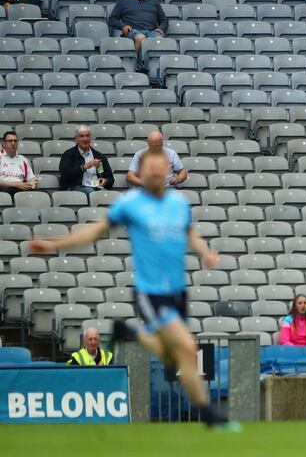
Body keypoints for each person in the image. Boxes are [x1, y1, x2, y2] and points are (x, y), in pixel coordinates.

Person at [29, 149, 236, 429]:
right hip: (151, 293)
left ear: (166, 169)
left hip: (178, 292)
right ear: (141, 169)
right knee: (187, 348)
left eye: (158, 164)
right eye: (148, 165)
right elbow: (96, 231)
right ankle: (209, 415)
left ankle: (130, 333)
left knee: (173, 354)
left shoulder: (178, 203)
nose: (153, 169)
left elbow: (190, 233)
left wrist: (205, 253)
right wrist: (55, 244)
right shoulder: (132, 203)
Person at [107, 0, 168, 72]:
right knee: (140, 37)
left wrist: (161, 28)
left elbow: (164, 19)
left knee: (160, 40)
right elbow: (112, 19)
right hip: (133, 31)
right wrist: (123, 26)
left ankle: (156, 70)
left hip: (151, 31)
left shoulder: (153, 1)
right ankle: (135, 65)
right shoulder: (123, 1)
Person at [58, 126, 114, 194]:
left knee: (111, 195)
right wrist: (84, 167)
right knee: (91, 192)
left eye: (87, 136)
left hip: (97, 187)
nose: (85, 139)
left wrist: (106, 180)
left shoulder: (99, 156)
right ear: (76, 139)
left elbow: (111, 178)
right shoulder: (69, 155)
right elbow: (65, 176)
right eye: (81, 136)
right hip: (76, 187)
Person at [0, 131, 37, 196]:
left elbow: (32, 178)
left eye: (15, 141)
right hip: (4, 188)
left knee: (43, 193)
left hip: (21, 188)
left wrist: (33, 183)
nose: (13, 143)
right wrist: (16, 184)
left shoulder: (23, 159)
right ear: (3, 143)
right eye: (10, 141)